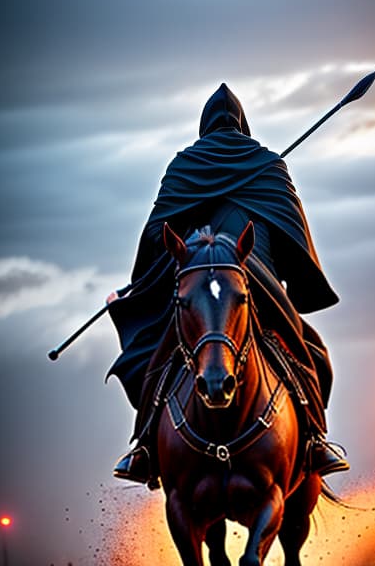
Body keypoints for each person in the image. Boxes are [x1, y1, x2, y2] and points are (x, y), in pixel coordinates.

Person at [106, 83, 349, 486]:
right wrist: (293, 279)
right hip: (259, 284)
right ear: (243, 123)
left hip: (205, 284)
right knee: (312, 354)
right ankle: (317, 441)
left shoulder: (186, 165)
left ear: (204, 126)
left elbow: (158, 239)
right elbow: (293, 237)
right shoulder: (266, 164)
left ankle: (143, 449)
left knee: (152, 359)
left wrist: (139, 289)